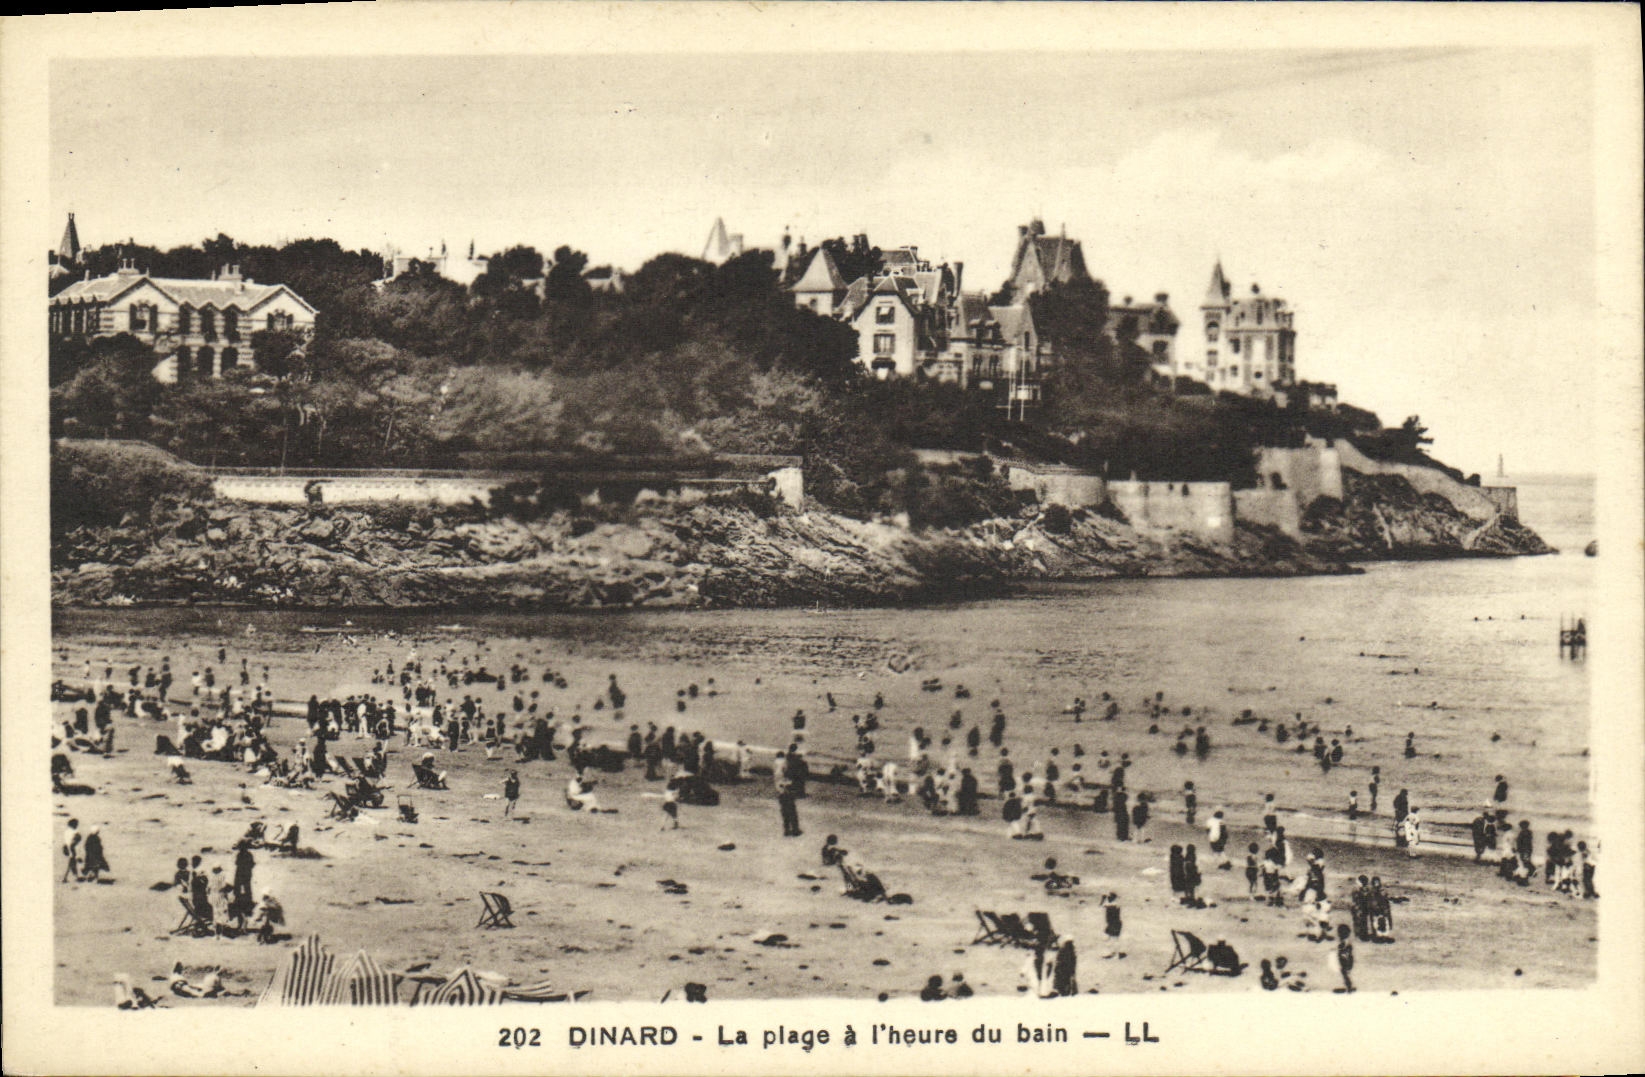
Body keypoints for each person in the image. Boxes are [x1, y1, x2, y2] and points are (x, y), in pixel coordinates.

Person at [776, 767, 801, 838]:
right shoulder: (791, 782)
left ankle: (787, 830)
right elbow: (794, 790)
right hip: (789, 798)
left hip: (783, 798)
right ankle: (795, 830)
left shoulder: (780, 782)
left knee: (785, 816)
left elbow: (779, 790)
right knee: (792, 815)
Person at [1331, 924, 1355, 992]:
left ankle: (1349, 986)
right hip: (1345, 959)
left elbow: (1346, 951)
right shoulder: (1345, 942)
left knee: (1345, 973)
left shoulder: (1344, 942)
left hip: (1345, 960)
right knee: (1345, 973)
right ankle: (1348, 986)